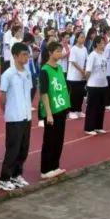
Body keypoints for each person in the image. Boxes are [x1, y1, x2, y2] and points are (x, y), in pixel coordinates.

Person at [0, 42, 33, 191]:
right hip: (14, 116)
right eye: (24, 55)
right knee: (13, 148)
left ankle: (16, 175)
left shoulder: (27, 72)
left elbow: (29, 92)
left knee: (24, 148)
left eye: (27, 55)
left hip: (26, 115)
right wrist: (8, 110)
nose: (26, 57)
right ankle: (3, 178)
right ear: (15, 56)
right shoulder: (8, 74)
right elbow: (2, 96)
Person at [38, 39, 71, 178]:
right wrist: (48, 113)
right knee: (49, 140)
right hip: (51, 110)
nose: (60, 54)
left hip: (61, 107)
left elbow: (63, 88)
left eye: (60, 51)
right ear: (50, 53)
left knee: (59, 139)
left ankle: (55, 165)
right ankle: (45, 170)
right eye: (57, 51)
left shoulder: (60, 68)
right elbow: (44, 93)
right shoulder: (45, 70)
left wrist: (67, 107)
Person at [83, 34, 108, 135]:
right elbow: (88, 71)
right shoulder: (92, 55)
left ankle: (98, 126)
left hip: (103, 84)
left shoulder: (103, 54)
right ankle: (89, 128)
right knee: (92, 107)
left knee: (101, 107)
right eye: (101, 43)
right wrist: (87, 82)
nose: (103, 45)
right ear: (97, 44)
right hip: (93, 85)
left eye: (104, 43)